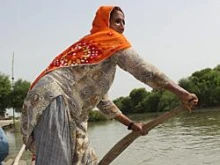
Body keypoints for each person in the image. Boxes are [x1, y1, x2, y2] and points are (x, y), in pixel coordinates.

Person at [20, 6, 198, 165]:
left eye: (123, 22)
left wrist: (131, 124)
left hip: (54, 104)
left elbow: (102, 101)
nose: (122, 26)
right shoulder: (109, 39)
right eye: (117, 21)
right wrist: (181, 93)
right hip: (56, 101)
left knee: (84, 158)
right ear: (105, 23)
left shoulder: (94, 48)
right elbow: (144, 70)